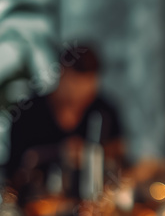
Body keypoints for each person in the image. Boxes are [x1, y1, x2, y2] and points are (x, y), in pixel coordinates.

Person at [7, 44, 124, 193]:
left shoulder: (103, 111)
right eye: (76, 83)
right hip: (37, 204)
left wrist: (91, 153)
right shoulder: (29, 112)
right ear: (62, 73)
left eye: (90, 85)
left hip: (94, 203)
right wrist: (59, 152)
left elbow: (120, 152)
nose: (82, 93)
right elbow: (15, 170)